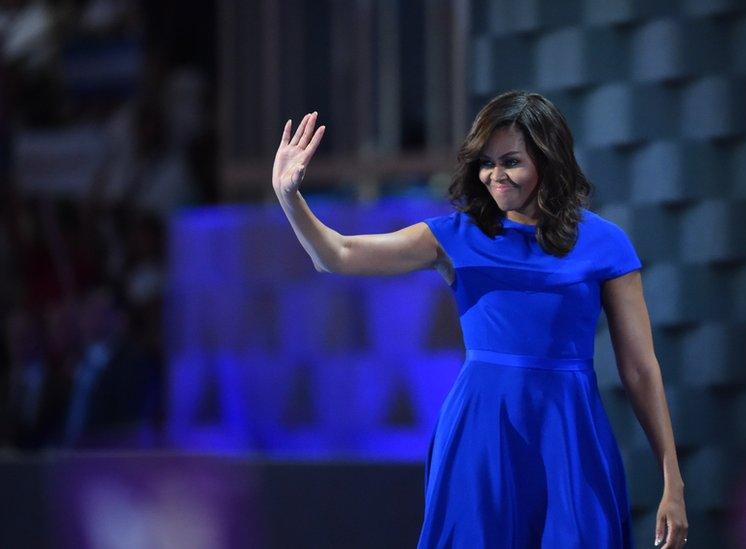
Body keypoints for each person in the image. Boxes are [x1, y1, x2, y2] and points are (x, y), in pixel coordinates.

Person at [271, 91, 689, 548]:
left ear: (548, 159)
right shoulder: (455, 236)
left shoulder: (605, 244)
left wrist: (672, 479)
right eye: (486, 163)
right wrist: (290, 198)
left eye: (510, 161)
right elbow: (338, 254)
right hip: (481, 433)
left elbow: (640, 369)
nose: (495, 175)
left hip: (569, 433)